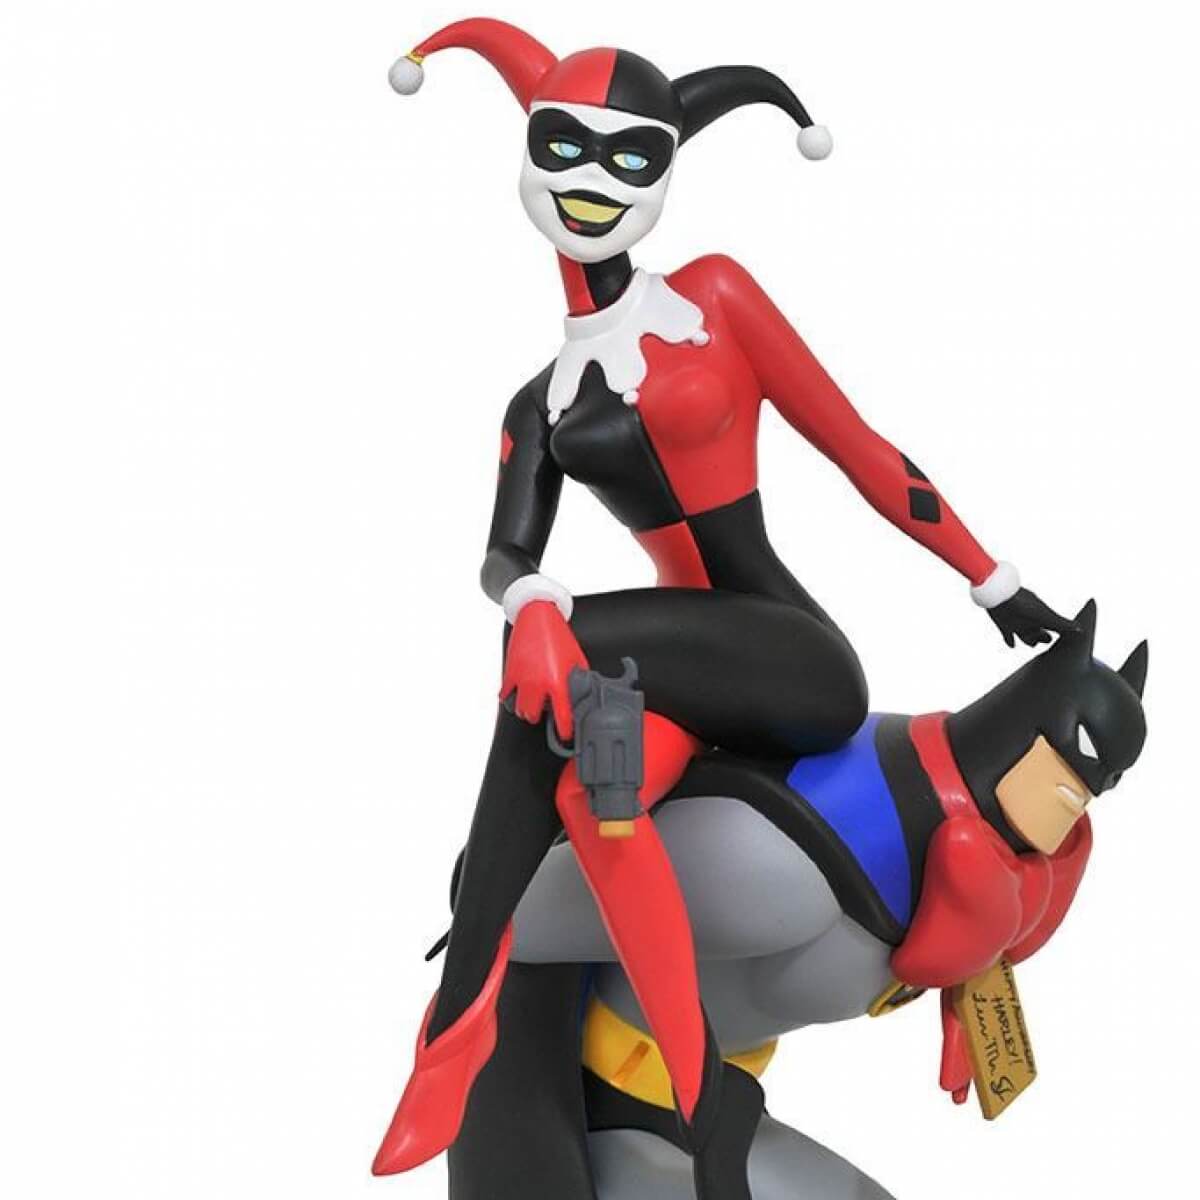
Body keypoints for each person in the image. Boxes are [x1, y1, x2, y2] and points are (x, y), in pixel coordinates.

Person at [373, 18, 1076, 1182]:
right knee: (589, 791)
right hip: (660, 682)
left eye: (632, 157)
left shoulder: (714, 297)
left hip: (785, 653)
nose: (594, 182)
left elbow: (858, 447)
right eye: (565, 147)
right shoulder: (535, 406)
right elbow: (503, 558)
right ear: (529, 153)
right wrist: (531, 597)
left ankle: (451, 1030)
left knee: (551, 650)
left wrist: (990, 576)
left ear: (667, 173)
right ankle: (676, 1091)